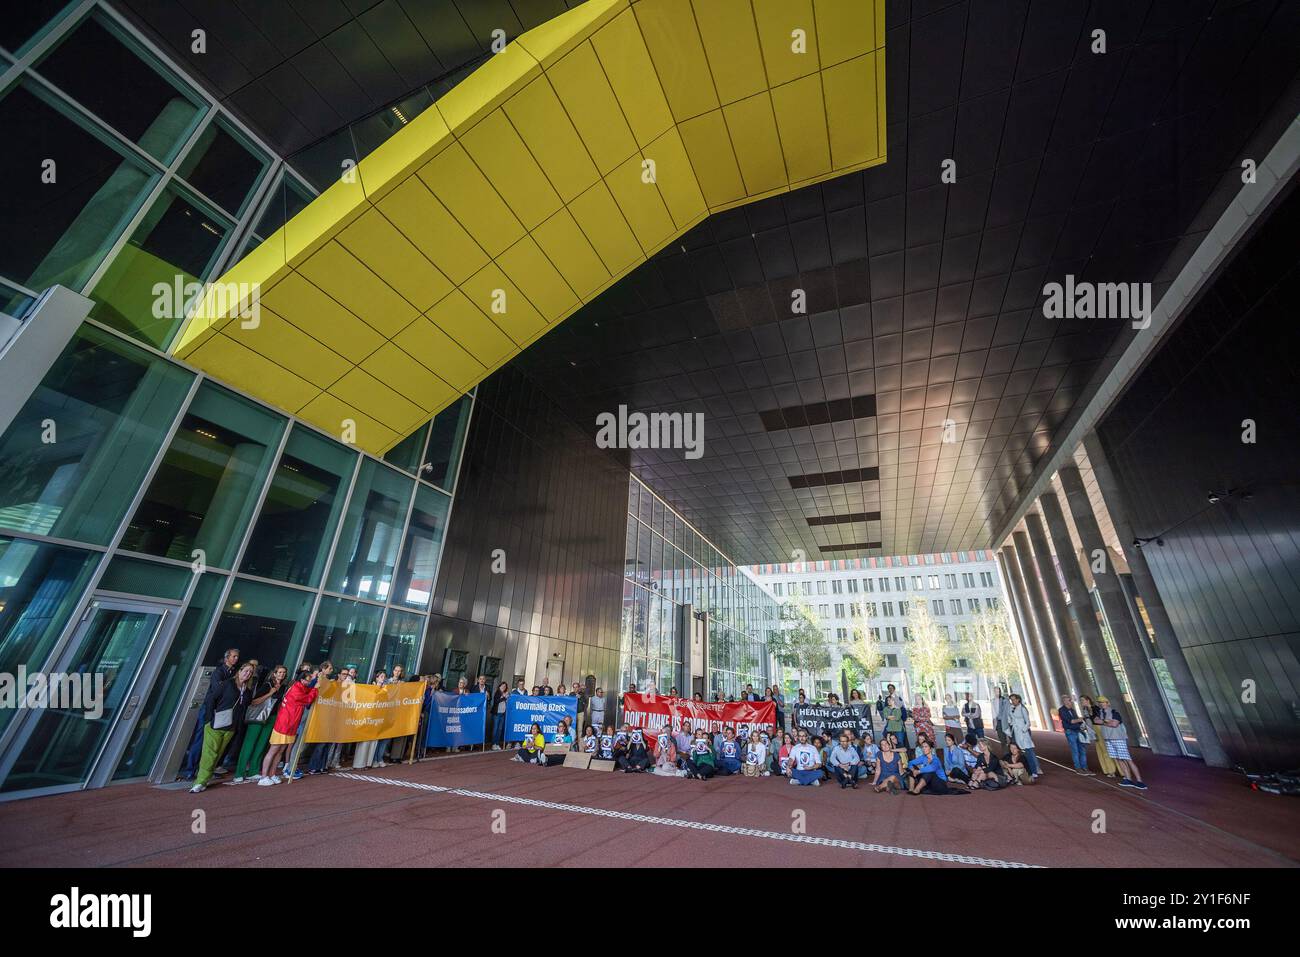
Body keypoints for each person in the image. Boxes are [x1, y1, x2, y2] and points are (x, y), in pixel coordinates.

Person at [190, 660, 256, 793]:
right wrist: (210, 718)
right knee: (209, 753)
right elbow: (211, 699)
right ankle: (199, 782)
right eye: (246, 670)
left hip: (231, 727)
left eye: (250, 672)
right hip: (216, 723)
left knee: (218, 754)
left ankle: (205, 779)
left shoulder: (247, 691)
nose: (247, 674)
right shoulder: (228, 684)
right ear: (239, 671)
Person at [258, 663, 327, 786]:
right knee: (274, 750)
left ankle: (272, 774)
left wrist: (318, 678)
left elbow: (309, 690)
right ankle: (264, 776)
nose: (309, 682)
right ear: (301, 680)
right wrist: (315, 688)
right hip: (283, 724)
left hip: (291, 725)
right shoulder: (296, 689)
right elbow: (308, 699)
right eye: (308, 680)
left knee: (280, 751)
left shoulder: (302, 687)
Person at [178, 647, 240, 780]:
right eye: (233, 656)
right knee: (201, 739)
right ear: (226, 658)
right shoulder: (219, 671)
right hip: (210, 709)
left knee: (214, 743)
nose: (236, 659)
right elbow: (217, 689)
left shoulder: (234, 672)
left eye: (237, 657)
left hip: (223, 711)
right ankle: (191, 769)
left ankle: (207, 769)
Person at [233, 664, 286, 783]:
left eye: (283, 673)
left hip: (271, 717)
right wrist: (270, 693)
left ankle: (253, 770)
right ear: (274, 673)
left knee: (261, 744)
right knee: (249, 743)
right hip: (258, 716)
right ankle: (239, 772)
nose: (281, 674)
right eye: (279, 672)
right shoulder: (267, 685)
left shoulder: (282, 687)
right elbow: (254, 701)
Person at [1095, 696, 1147, 789]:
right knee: (1118, 759)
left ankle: (1139, 781)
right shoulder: (1101, 713)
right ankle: (1128, 779)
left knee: (1127, 759)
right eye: (1100, 702)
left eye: (1103, 702)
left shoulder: (1115, 712)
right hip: (1108, 739)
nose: (1102, 704)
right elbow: (1096, 721)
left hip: (1118, 738)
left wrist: (1103, 722)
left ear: (1108, 703)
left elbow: (1114, 724)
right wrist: (1106, 721)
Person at [1080, 695, 1118, 778]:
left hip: (1100, 728)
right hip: (1093, 729)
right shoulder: (1085, 709)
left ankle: (1112, 770)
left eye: (1083, 700)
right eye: (1081, 700)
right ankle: (1107, 769)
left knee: (1105, 749)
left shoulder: (1095, 708)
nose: (1082, 702)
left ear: (1088, 700)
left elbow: (1099, 719)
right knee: (1100, 749)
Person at [1005, 693, 1040, 779]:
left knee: (1029, 752)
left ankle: (1034, 771)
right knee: (1018, 752)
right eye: (1011, 700)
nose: (1012, 701)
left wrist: (1023, 730)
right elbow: (1009, 718)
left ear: (1018, 699)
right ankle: (1024, 771)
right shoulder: (1011, 708)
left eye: (1013, 699)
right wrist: (1010, 722)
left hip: (1023, 733)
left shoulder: (1023, 709)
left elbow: (1028, 722)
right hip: (1015, 732)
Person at [1058, 694, 1094, 775]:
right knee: (1075, 750)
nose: (1071, 702)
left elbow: (1075, 720)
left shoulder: (1073, 710)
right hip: (1070, 731)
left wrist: (1079, 721)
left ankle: (1085, 767)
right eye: (1069, 700)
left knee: (1082, 750)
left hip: (1078, 730)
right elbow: (1071, 721)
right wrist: (1081, 719)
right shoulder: (1061, 710)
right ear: (1064, 701)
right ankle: (1078, 768)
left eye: (1070, 700)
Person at [490, 681, 509, 749]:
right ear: (499, 686)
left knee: (500, 729)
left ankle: (497, 743)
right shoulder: (497, 692)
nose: (503, 687)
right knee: (495, 729)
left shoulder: (505, 693)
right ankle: (493, 744)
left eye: (505, 686)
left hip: (503, 713)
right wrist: (504, 697)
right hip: (497, 713)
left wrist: (507, 699)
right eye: (502, 686)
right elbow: (496, 701)